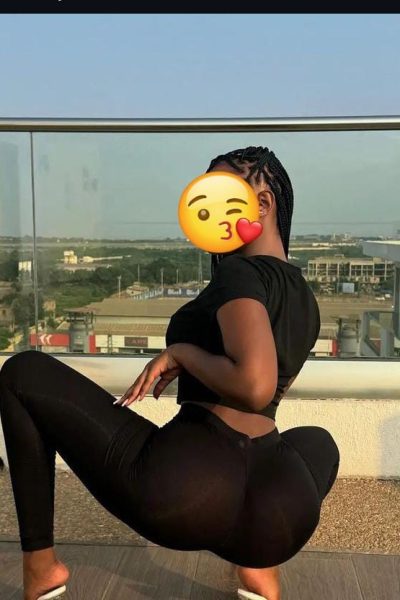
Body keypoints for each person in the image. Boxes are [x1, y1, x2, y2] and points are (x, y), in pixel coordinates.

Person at [0, 145, 340, 600]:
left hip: (190, 489)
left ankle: (41, 566)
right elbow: (271, 392)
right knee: (318, 442)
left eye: (221, 195)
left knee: (21, 373)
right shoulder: (304, 295)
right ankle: (259, 568)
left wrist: (182, 353)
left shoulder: (239, 273)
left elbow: (255, 387)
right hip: (281, 518)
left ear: (262, 202)